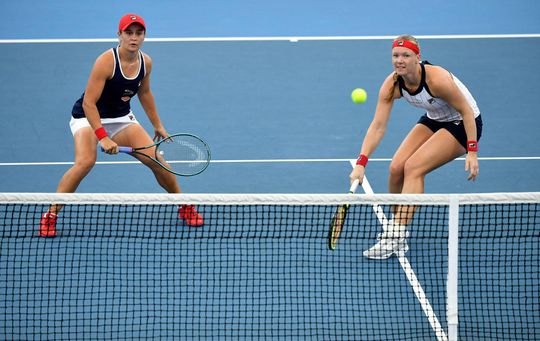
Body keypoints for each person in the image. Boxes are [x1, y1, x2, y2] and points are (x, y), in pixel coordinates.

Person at [39, 14, 203, 237]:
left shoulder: (146, 62)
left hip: (121, 119)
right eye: (129, 33)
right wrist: (102, 136)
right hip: (87, 117)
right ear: (119, 35)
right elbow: (88, 103)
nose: (133, 38)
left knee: (156, 160)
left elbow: (144, 93)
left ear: (144, 36)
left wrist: (158, 125)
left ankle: (184, 205)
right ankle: (50, 214)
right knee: (85, 162)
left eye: (138, 33)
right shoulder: (106, 61)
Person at [349, 35, 482, 259]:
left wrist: (472, 150)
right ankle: (398, 227)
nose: (399, 60)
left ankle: (395, 234)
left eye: (406, 55)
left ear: (417, 58)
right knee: (396, 167)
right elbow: (378, 126)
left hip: (463, 123)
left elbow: (467, 111)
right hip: (435, 118)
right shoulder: (392, 84)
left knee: (414, 167)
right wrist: (362, 162)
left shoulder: (436, 80)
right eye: (395, 55)